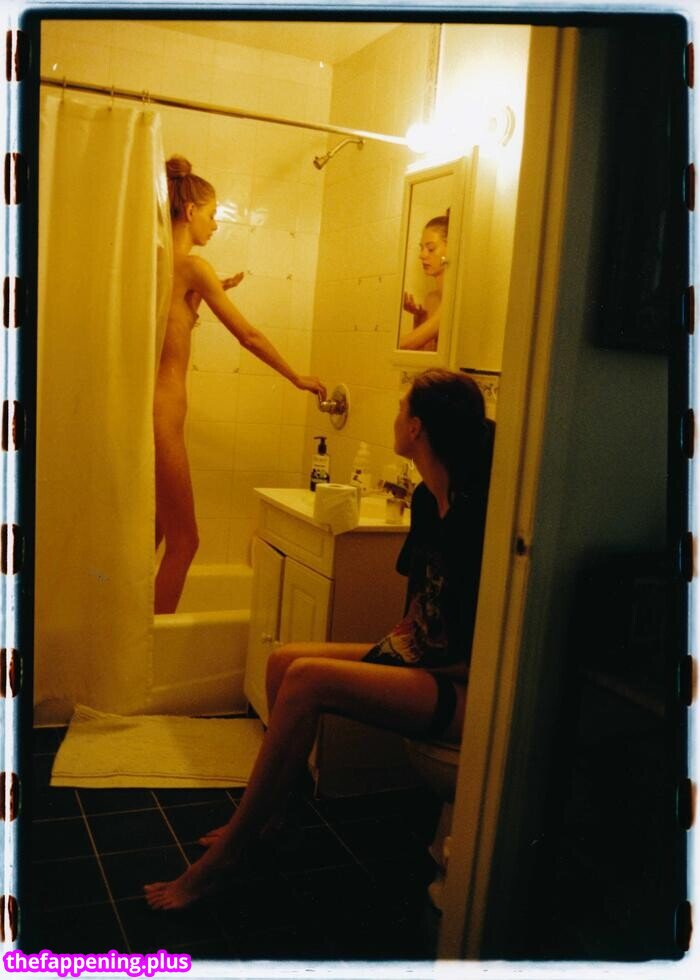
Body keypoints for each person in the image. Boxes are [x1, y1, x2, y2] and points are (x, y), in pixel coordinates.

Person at [145, 368, 494, 909]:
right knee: (284, 660)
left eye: (401, 409)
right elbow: (419, 606)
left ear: (417, 428)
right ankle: (279, 820)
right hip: (427, 661)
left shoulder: (479, 515)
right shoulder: (429, 500)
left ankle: (229, 856)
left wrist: (411, 660)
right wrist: (396, 653)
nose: (395, 418)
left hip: (469, 685)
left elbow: (481, 635)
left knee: (307, 679)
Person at [154, 156, 326, 614]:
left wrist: (201, 297)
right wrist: (296, 376)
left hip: (147, 412)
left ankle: (126, 631)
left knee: (153, 532)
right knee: (186, 541)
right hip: (162, 416)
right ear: (191, 211)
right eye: (212, 215)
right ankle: (152, 645)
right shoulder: (193, 267)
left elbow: (168, 325)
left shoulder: (160, 265)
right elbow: (248, 335)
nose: (214, 225)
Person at [400, 214, 449, 352]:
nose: (422, 255)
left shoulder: (455, 300)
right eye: (421, 248)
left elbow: (408, 344)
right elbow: (425, 352)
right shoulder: (431, 299)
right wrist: (419, 317)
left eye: (431, 248)